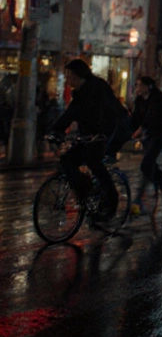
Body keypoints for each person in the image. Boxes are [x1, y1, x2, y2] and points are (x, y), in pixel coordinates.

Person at [49, 59, 130, 221]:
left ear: (79, 75)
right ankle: (87, 189)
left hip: (110, 131)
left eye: (69, 76)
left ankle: (110, 200)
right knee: (67, 160)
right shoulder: (79, 92)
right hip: (91, 135)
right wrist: (56, 130)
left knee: (94, 161)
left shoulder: (98, 88)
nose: (67, 80)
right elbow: (71, 112)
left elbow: (108, 113)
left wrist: (99, 133)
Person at [131, 77, 162, 213]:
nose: (138, 88)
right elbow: (135, 119)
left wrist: (142, 128)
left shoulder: (159, 100)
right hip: (149, 135)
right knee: (150, 167)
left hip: (161, 135)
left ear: (148, 87)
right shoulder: (140, 100)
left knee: (147, 165)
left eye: (140, 85)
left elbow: (155, 120)